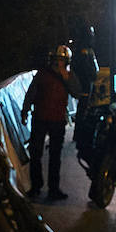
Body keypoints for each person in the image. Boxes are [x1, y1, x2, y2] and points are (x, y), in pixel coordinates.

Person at [21, 45, 75, 201]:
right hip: (40, 118)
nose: (59, 63)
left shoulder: (69, 76)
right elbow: (32, 92)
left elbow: (77, 92)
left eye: (61, 60)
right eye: (57, 60)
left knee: (55, 156)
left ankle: (54, 188)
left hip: (57, 121)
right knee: (35, 153)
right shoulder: (43, 74)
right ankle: (36, 186)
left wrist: (66, 78)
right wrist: (25, 111)